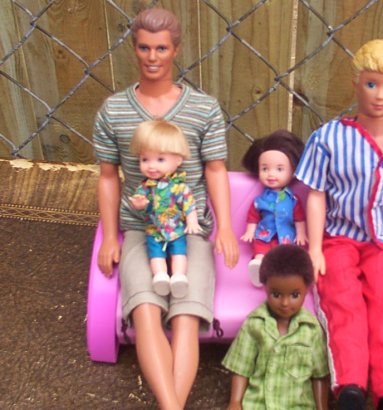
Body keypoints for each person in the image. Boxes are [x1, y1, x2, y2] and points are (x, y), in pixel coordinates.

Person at [93, 7, 239, 410]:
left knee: (185, 316)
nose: (152, 57)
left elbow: (215, 169)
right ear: (134, 49)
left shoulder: (203, 109)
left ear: (175, 50)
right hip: (140, 230)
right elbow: (108, 176)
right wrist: (110, 236)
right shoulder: (114, 111)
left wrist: (225, 226)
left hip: (191, 231)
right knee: (145, 310)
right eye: (144, 47)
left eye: (161, 48)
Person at [295, 39, 383, 410]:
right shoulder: (329, 137)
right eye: (371, 84)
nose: (380, 95)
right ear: (356, 83)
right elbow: (316, 195)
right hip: (339, 237)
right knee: (343, 302)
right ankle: (350, 386)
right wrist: (317, 248)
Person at [222, 244, 330, 410]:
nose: (285, 303)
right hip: (258, 405)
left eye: (294, 295)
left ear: (306, 289)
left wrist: (322, 407)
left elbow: (319, 375)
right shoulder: (254, 324)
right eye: (276, 294)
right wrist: (235, 401)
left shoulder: (312, 330)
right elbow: (241, 367)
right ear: (265, 287)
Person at [129, 120, 202, 298]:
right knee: (155, 255)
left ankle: (178, 276)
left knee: (179, 252)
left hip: (176, 230)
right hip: (154, 230)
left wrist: (192, 221)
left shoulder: (179, 186)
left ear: (178, 160)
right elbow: (141, 202)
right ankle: (160, 276)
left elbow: (189, 205)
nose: (151, 166)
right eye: (145, 159)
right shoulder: (146, 186)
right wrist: (139, 204)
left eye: (160, 159)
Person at [240, 130, 307, 287]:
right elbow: (253, 217)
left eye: (279, 169)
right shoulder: (260, 201)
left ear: (292, 172)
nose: (271, 174)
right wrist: (250, 232)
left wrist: (301, 233)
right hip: (264, 235)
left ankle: (284, 275)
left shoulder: (293, 200)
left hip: (286, 237)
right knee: (260, 252)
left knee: (286, 256)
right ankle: (259, 269)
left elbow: (299, 218)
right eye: (265, 169)